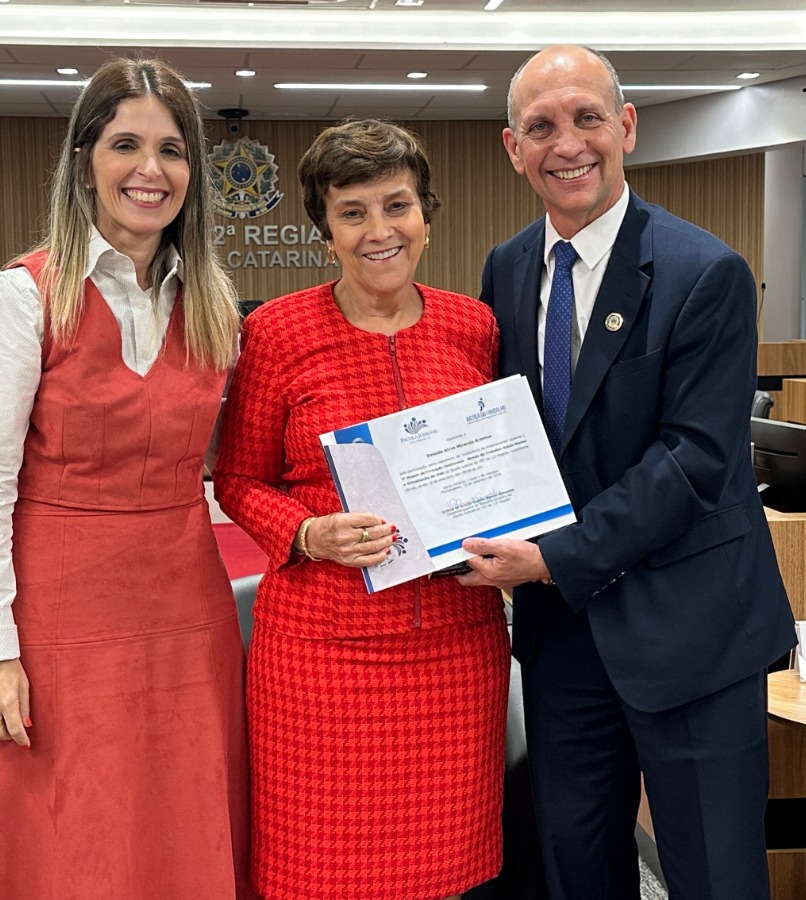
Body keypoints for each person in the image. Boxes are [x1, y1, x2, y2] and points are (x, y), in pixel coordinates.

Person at [461, 45, 796, 900]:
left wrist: (550, 556)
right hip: (563, 638)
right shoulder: (504, 270)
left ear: (627, 129)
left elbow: (693, 463)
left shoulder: (704, 273)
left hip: (691, 630)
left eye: (586, 118)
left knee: (713, 876)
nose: (566, 143)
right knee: (575, 868)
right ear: (512, 148)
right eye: (541, 127)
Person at [0, 58, 253, 899]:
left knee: (177, 820)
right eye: (126, 145)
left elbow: (231, 464)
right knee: (67, 833)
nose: (151, 170)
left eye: (172, 149)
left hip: (188, 615)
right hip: (58, 618)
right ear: (85, 161)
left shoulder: (215, 303)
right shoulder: (23, 295)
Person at [213, 118, 509, 900]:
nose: (380, 231)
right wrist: (305, 532)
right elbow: (236, 480)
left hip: (454, 647)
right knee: (316, 874)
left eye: (397, 205)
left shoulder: (473, 327)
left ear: (425, 214)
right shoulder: (275, 332)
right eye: (353, 212)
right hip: (320, 660)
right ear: (325, 229)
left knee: (448, 872)